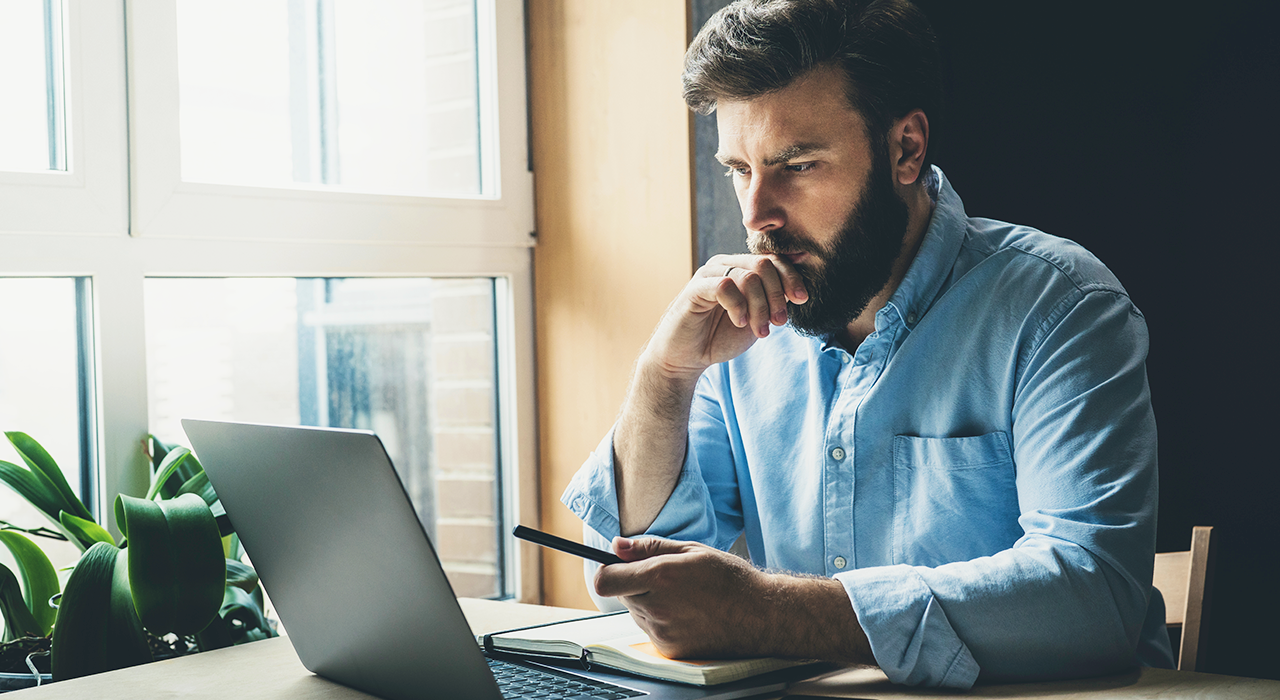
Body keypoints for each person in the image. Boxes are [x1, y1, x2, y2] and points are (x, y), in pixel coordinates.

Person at [559, 0, 1175, 688]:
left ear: (905, 149)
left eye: (796, 165)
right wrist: (664, 375)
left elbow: (1094, 600)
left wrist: (769, 614)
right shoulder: (742, 332)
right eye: (739, 168)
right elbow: (646, 579)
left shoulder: (1060, 307)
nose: (755, 214)